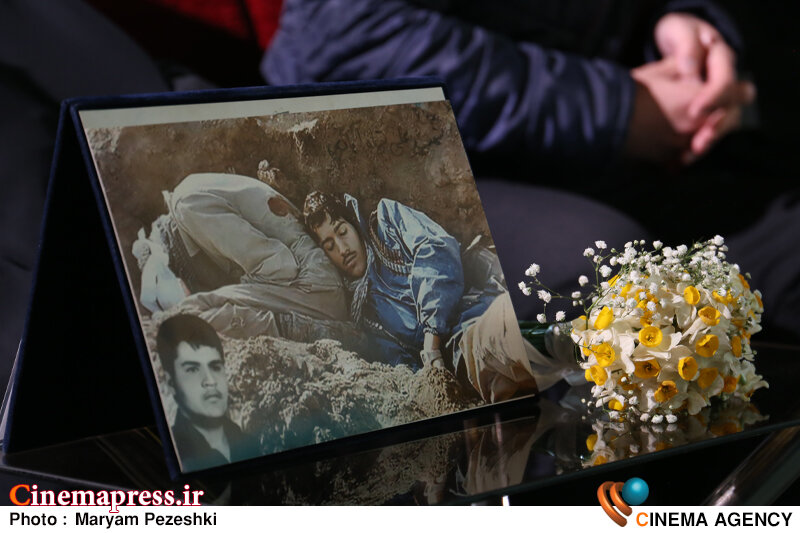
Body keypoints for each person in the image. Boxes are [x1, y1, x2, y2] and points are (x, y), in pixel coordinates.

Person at [303, 191, 539, 402]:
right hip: (463, 364)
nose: (342, 249)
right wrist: (433, 377)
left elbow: (435, 248)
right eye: (329, 246)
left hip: (478, 315)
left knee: (517, 335)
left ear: (354, 224)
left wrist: (431, 338)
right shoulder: (364, 316)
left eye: (342, 232)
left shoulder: (387, 223)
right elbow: (403, 368)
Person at [156, 314, 257, 472]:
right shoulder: (170, 456)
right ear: (171, 383)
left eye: (215, 367)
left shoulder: (253, 445)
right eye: (192, 369)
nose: (210, 381)